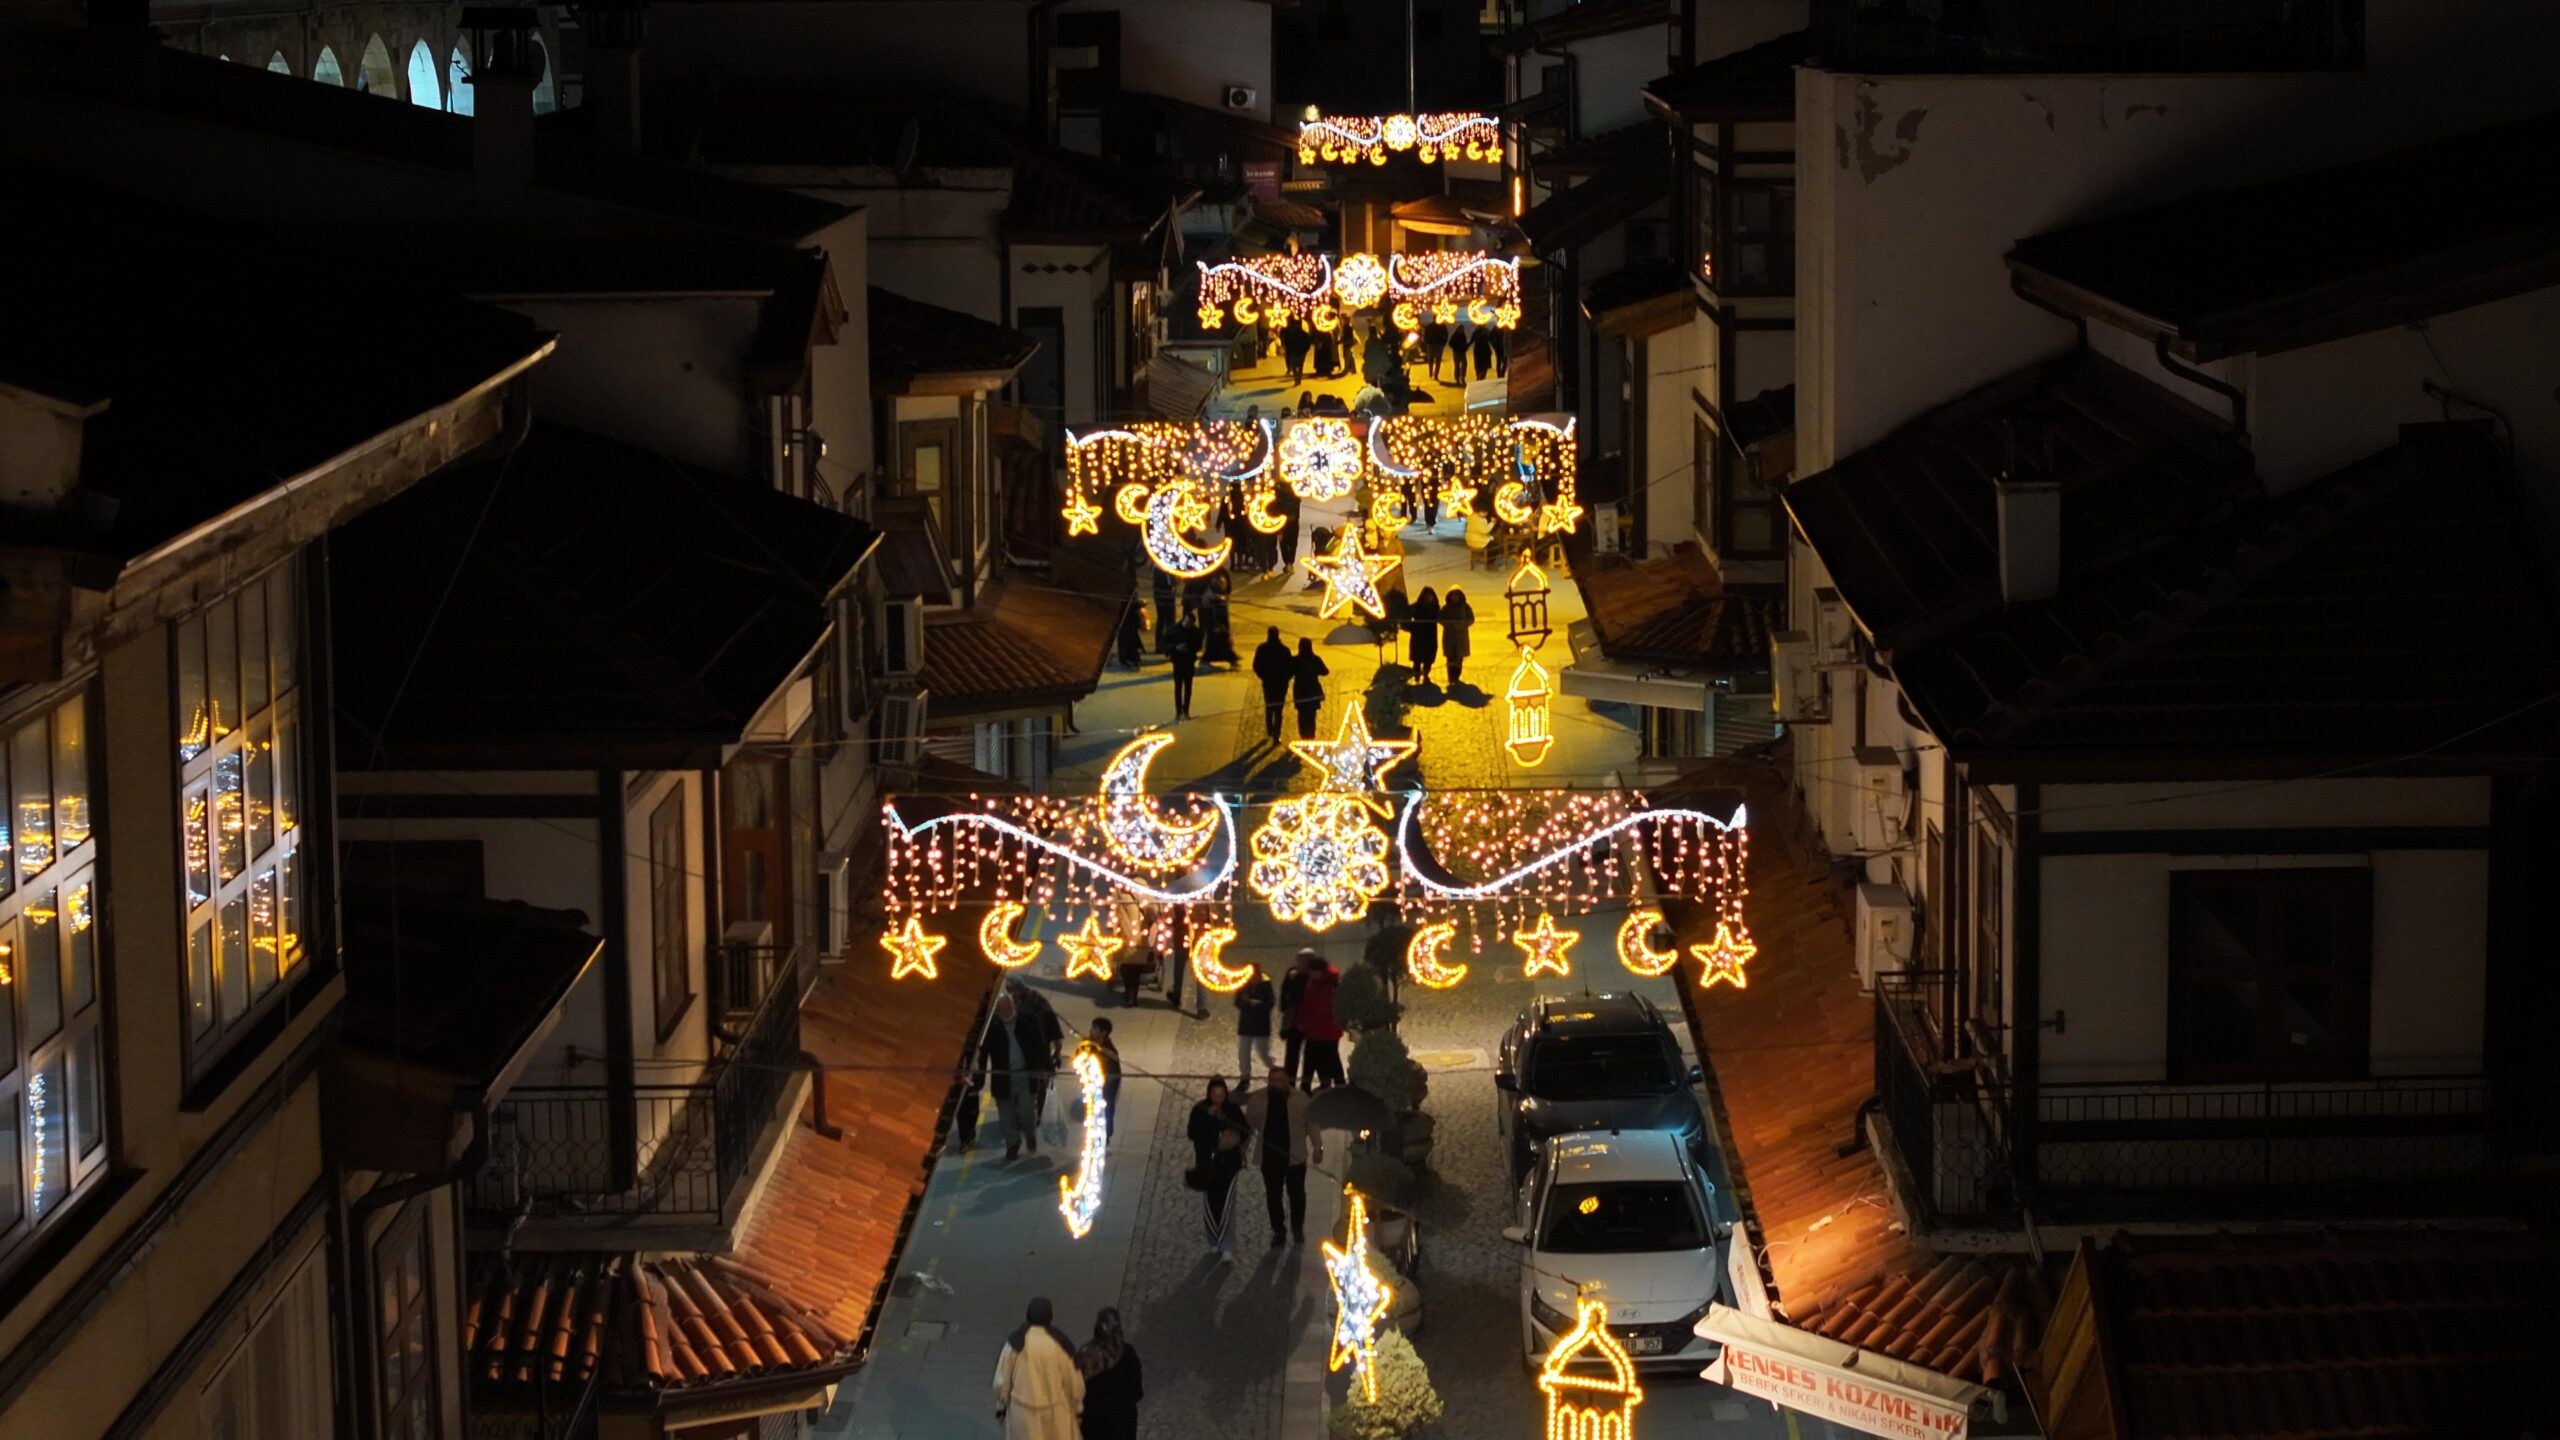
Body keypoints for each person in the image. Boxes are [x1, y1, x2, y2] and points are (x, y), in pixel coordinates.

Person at [978, 991, 1060, 1161]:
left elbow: (1041, 1044)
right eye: (1003, 1010)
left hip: (1025, 1075)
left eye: (1009, 1008)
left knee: (1027, 1111)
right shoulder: (992, 1027)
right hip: (1003, 1077)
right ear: (997, 1011)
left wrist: (1047, 1066)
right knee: (1006, 1113)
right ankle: (1012, 1144)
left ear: (1013, 1005)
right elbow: (982, 1053)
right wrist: (978, 1078)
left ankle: (1029, 1134)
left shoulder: (1028, 1020)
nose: (1007, 1012)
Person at [1252, 1064, 1324, 1246]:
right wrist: (1241, 1150)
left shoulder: (1300, 1099)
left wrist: (1318, 1147)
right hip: (1269, 1157)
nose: (1276, 1084)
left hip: (1295, 1156)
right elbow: (1247, 1126)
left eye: (1279, 1081)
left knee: (1297, 1194)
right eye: (1272, 1081)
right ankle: (1278, 1230)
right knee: (1273, 1195)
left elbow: (1312, 1124)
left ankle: (1297, 1227)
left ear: (1287, 1082)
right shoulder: (1259, 1099)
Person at [994, 1297, 1084, 1440]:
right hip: (1054, 1410)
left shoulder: (1015, 1343)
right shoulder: (1060, 1343)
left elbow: (1002, 1379)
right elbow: (1073, 1379)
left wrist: (1002, 1404)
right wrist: (1077, 1407)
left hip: (1022, 1411)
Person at [1186, 1078, 1252, 1261]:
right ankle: (1213, 1241)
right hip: (1207, 1164)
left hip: (1228, 1164)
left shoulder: (1232, 1109)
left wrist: (1227, 1123)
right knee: (1211, 1203)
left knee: (1227, 1204)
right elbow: (1192, 1132)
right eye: (1214, 1095)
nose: (1218, 1099)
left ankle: (1227, 1244)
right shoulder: (1200, 1109)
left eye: (1221, 1095)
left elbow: (1245, 1130)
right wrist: (1208, 1117)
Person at [1077, 1308, 1143, 1440]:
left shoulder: (1085, 1355)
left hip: (1094, 1423)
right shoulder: (1127, 1353)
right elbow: (1137, 1390)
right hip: (1123, 1422)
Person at [1295, 950, 1345, 1089]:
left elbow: (1320, 1009)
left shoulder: (1326, 986)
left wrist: (1305, 1022)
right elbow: (1306, 1005)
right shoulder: (1316, 984)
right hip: (1320, 1030)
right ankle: (1330, 1084)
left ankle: (1331, 1084)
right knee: (1323, 1059)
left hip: (1324, 1030)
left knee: (1326, 1059)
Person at [1252, 626, 1293, 742]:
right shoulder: (1284, 650)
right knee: (1279, 710)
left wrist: (1263, 677)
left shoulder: (1262, 649)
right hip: (1281, 684)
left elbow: (1256, 665)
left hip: (1268, 683)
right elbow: (1290, 667)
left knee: (1269, 707)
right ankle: (1276, 734)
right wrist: (1285, 679)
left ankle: (1269, 729)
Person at [1235, 966, 1276, 1083]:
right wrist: (1245, 1003)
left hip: (1260, 1025)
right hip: (1246, 1025)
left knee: (1263, 1052)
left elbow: (1270, 1004)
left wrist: (1255, 1003)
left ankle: (1274, 1071)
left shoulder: (1266, 986)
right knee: (1243, 1053)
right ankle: (1245, 1076)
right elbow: (1237, 1002)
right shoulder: (1243, 985)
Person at [1086, 1017, 1122, 1141]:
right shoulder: (1091, 1045)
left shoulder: (1108, 1051)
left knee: (1105, 1114)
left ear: (1103, 1032)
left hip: (1105, 1090)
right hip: (1093, 1088)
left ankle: (1105, 1138)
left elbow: (1113, 1074)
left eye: (1094, 1028)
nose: (1090, 1031)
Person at [1166, 608, 1202, 720]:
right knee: (1178, 687)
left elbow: (1198, 646)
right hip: (1178, 661)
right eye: (1186, 622)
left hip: (1188, 661)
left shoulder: (1195, 632)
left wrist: (1189, 648)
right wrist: (1176, 648)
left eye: (1189, 623)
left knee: (1188, 687)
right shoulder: (1174, 630)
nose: (1187, 625)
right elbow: (1164, 644)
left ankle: (1186, 710)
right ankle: (1178, 711)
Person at [1277, 957, 1309, 1083]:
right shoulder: (1296, 976)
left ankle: (1297, 1082)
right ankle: (1292, 1082)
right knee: (1293, 1055)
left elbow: (1285, 999)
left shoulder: (1297, 976)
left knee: (1299, 1055)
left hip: (1303, 1021)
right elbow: (1284, 998)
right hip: (1296, 1022)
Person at [1290, 639, 1328, 740]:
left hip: (1300, 691)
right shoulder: (1315, 659)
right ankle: (1311, 735)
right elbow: (1325, 671)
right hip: (1312, 690)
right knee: (1311, 716)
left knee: (1302, 716)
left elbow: (1288, 673)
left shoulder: (1295, 660)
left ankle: (1303, 736)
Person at [1441, 587, 1476, 687]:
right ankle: (1451, 677)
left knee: (1459, 658)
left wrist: (1463, 624)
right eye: (1453, 596)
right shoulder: (1446, 607)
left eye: (1456, 596)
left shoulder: (1465, 607)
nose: (1455, 598)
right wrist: (1449, 623)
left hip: (1461, 637)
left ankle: (1456, 677)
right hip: (1449, 636)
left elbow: (1471, 619)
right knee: (1450, 658)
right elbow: (1440, 618)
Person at [1406, 586, 1442, 684]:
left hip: (1430, 636)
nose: (1428, 598)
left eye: (1430, 596)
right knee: (1417, 658)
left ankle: (1426, 674)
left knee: (1428, 657)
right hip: (1418, 635)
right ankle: (1416, 675)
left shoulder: (1435, 607)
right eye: (1426, 596)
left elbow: (1442, 618)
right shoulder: (1416, 606)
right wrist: (1411, 627)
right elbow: (1406, 616)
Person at [1203, 575, 1237, 666]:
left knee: (1224, 636)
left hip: (1221, 614)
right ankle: (1208, 658)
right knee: (1213, 636)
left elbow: (1227, 591)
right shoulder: (1210, 583)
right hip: (1214, 616)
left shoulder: (1222, 575)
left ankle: (1230, 658)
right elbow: (1206, 600)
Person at [1277, 478, 1305, 571]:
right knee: (1293, 542)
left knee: (1283, 542)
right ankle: (1290, 563)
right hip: (1294, 521)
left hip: (1283, 522)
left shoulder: (1280, 495)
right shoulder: (1295, 494)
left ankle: (1288, 562)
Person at [1151, 569, 1176, 652]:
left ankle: (1163, 644)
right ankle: (1164, 645)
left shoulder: (1158, 568)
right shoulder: (1162, 569)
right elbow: (1171, 582)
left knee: (1163, 620)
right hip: (1165, 596)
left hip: (1163, 596)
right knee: (1166, 621)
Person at [1116, 602, 1145, 670]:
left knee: (1128, 638)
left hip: (1128, 617)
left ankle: (1129, 658)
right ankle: (1131, 658)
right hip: (1129, 617)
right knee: (1130, 638)